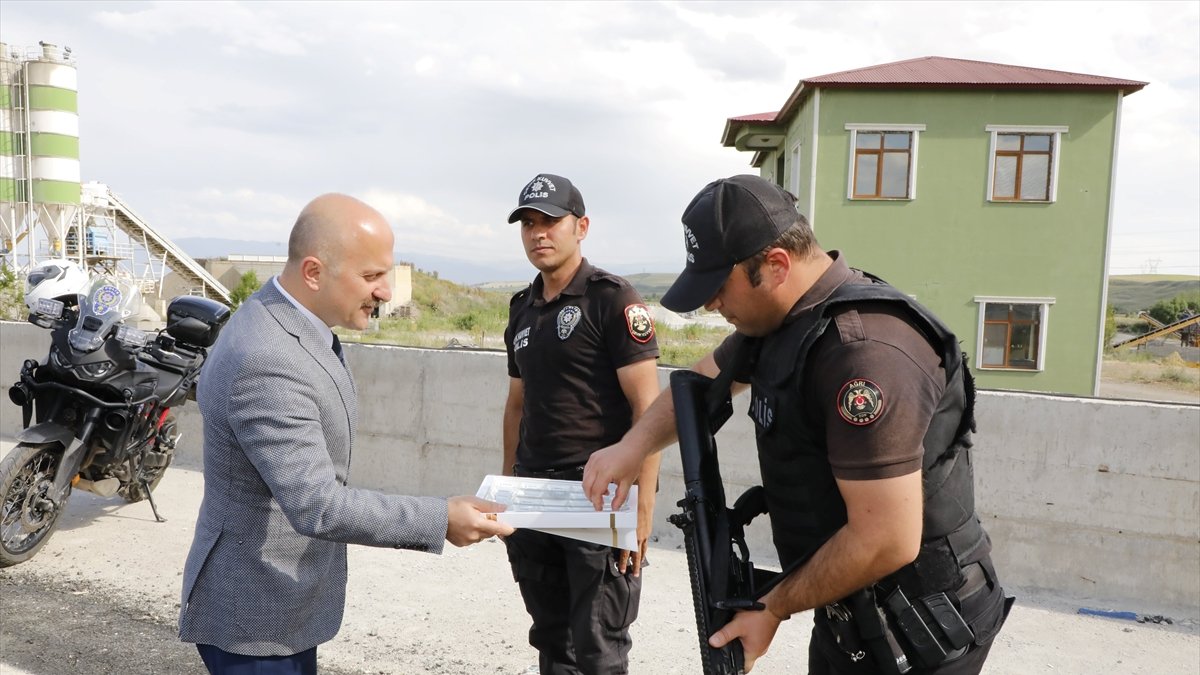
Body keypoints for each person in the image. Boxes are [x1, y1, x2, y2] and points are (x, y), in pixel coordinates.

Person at [582, 175, 1012, 674]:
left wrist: (773, 607)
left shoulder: (863, 354)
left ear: (776, 265)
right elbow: (701, 382)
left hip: (923, 634)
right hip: (853, 612)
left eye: (719, 287)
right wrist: (632, 447)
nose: (710, 306)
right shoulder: (781, 320)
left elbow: (887, 536)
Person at [179, 193, 514, 674]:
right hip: (254, 620)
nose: (385, 292)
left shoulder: (287, 320)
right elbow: (317, 503)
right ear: (314, 272)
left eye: (387, 274)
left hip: (281, 605)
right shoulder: (267, 357)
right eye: (371, 276)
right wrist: (440, 519)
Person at [502, 173, 662, 674]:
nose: (538, 233)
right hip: (534, 494)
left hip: (599, 493)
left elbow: (649, 411)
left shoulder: (611, 298)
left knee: (599, 649)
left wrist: (641, 509)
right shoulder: (521, 309)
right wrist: (508, 485)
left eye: (551, 221)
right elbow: (516, 405)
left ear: (582, 226)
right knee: (551, 642)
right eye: (529, 223)